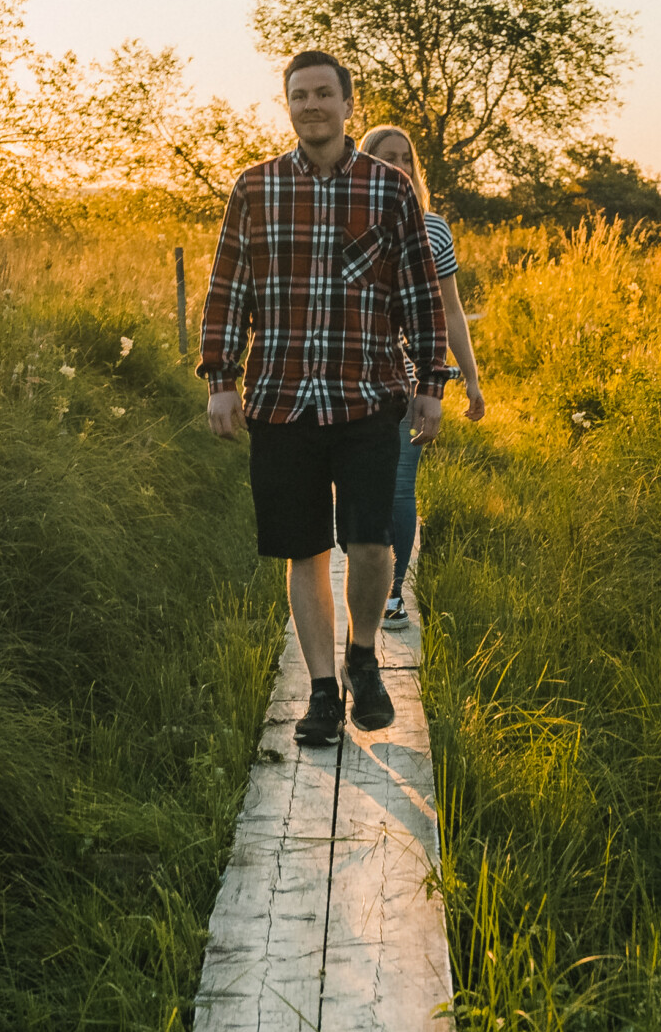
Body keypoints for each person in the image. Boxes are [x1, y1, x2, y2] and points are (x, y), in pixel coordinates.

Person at [199, 51, 449, 747]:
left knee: (371, 545)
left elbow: (420, 297)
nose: (310, 105)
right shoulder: (254, 189)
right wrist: (220, 380)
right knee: (302, 549)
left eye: (323, 94)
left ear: (348, 104)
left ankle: (363, 653)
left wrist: (432, 384)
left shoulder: (389, 190)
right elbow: (227, 291)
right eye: (298, 95)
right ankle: (320, 692)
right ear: (288, 105)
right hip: (279, 400)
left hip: (367, 395)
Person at [357, 123, 486, 626]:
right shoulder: (349, 219)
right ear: (366, 161)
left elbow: (451, 309)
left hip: (413, 377)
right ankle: (362, 583)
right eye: (387, 157)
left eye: (406, 158)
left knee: (400, 486)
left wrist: (470, 377)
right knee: (360, 485)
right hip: (356, 375)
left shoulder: (434, 228)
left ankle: (392, 591)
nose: (400, 167)